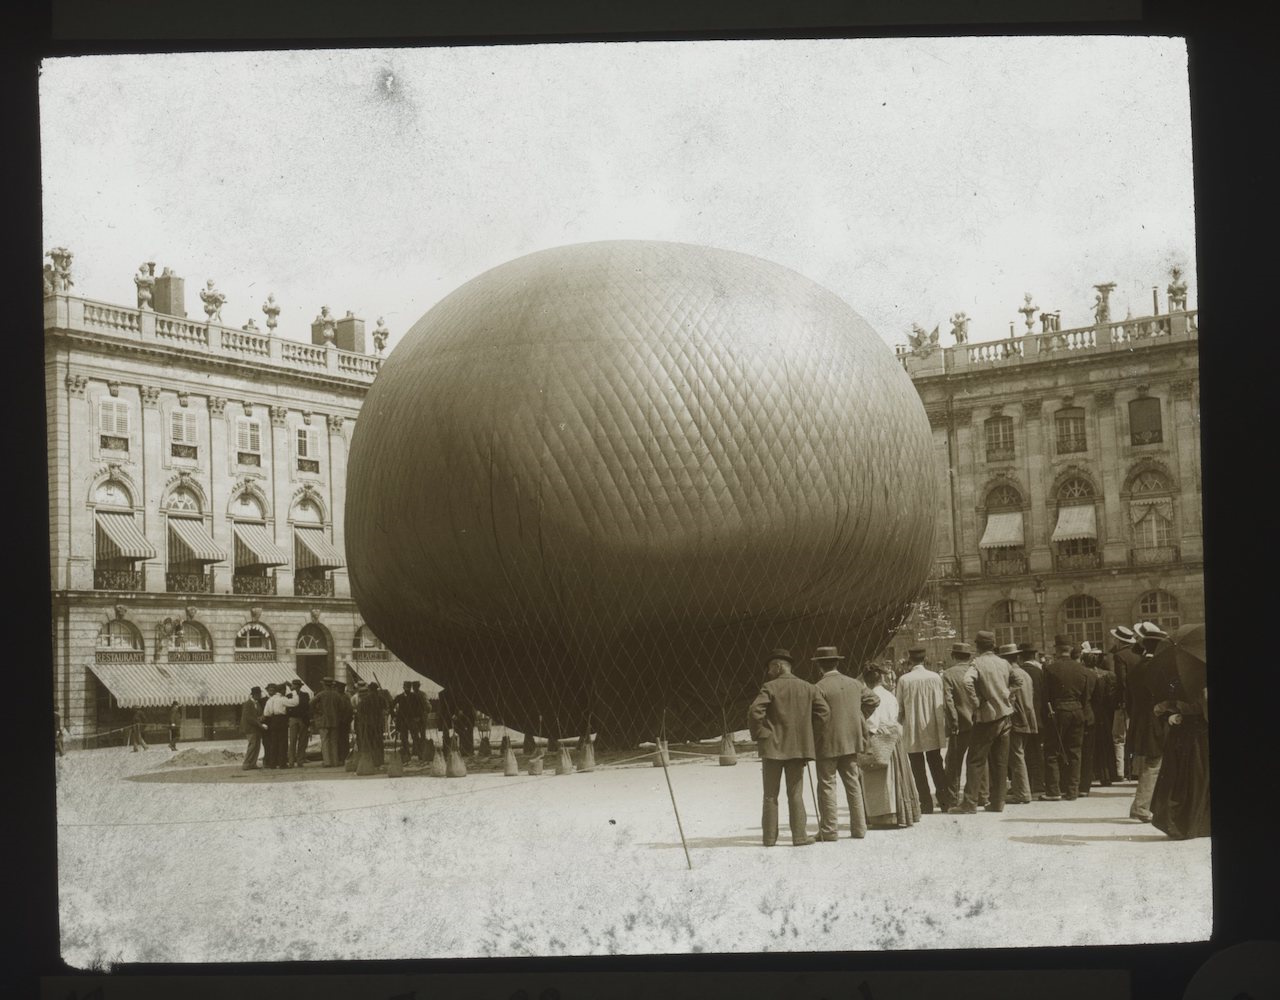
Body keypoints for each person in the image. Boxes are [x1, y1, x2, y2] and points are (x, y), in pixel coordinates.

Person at [747, 648, 830, 847]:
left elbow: (754, 711)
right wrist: (811, 735)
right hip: (798, 748)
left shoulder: (770, 687)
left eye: (769, 668)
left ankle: (769, 839)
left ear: (778, 666)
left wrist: (761, 734)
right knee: (795, 794)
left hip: (772, 749)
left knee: (769, 795)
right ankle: (799, 837)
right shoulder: (808, 687)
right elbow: (824, 713)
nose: (768, 672)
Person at [812, 646, 879, 841]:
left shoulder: (818, 688)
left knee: (827, 785)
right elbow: (874, 700)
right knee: (853, 784)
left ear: (819, 666)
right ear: (837, 662)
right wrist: (859, 718)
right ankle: (859, 829)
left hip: (827, 744)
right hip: (851, 741)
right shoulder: (855, 684)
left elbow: (816, 717)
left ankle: (829, 830)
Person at [1149, 623, 1209, 840]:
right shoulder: (1202, 676)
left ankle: (1183, 822)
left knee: (1185, 781)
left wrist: (1172, 711)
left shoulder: (1176, 675)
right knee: (1198, 780)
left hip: (1184, 733)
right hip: (1199, 735)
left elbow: (1163, 705)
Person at [952, 630, 1017, 814]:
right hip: (1005, 718)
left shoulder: (977, 663)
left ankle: (970, 803)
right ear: (993, 645)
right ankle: (998, 803)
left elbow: (967, 681)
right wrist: (1008, 696)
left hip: (986, 718)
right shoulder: (1004, 663)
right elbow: (1017, 680)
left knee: (975, 761)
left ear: (978, 646)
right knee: (1000, 762)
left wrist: (976, 702)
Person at [861, 666, 921, 829]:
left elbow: (872, 722)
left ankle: (883, 815)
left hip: (879, 737)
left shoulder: (869, 696)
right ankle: (900, 812)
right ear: (880, 679)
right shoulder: (889, 695)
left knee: (879, 777)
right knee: (897, 774)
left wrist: (867, 730)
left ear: (866, 681)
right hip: (893, 737)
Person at [895, 644, 949, 813]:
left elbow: (899, 707)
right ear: (925, 659)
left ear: (910, 660)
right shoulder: (935, 677)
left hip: (913, 727)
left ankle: (925, 804)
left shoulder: (904, 680)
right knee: (936, 763)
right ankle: (944, 801)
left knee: (917, 766)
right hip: (932, 726)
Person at [1128, 621, 1171, 822]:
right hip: (1156, 721)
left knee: (1150, 763)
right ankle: (1142, 807)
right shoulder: (1158, 668)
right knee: (1153, 764)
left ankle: (1139, 805)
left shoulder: (1137, 667)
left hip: (1141, 720)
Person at [1040, 635, 1092, 801]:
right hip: (1077, 710)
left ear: (1056, 649)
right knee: (1075, 751)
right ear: (1070, 649)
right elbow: (1086, 697)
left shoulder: (1049, 669)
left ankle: (1053, 791)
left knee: (1052, 751)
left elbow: (1044, 696)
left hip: (1057, 711)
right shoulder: (1083, 670)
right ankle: (1072, 791)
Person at [941, 642, 982, 812]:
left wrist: (953, 723)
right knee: (978, 761)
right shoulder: (976, 672)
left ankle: (952, 799)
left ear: (953, 656)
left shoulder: (949, 674)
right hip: (979, 722)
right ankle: (981, 795)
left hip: (960, 725)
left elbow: (948, 701)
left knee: (953, 763)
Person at [999, 643, 1038, 804]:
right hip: (1028, 718)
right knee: (1019, 754)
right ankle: (1020, 789)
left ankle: (1022, 793)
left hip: (1017, 719)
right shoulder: (1024, 673)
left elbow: (1011, 699)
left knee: (1016, 756)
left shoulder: (1011, 674)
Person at [1110, 625, 1143, 780]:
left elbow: (1121, 681)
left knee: (1119, 737)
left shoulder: (1119, 656)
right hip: (1137, 700)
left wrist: (1122, 700)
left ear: (1119, 640)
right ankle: (1136, 770)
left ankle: (1120, 771)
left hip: (1124, 702)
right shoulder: (1138, 654)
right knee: (1135, 734)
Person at [1085, 643, 1119, 788]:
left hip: (1090, 712)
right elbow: (1112, 698)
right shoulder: (1108, 675)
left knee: (1090, 744)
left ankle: (1091, 774)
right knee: (1105, 743)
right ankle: (1107, 775)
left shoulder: (1085, 674)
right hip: (1104, 714)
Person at [1017, 642, 1048, 795]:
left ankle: (1027, 784)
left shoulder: (1019, 672)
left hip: (1023, 718)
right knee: (1038, 751)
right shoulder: (1040, 672)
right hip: (1040, 717)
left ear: (1020, 656)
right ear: (1034, 655)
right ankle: (1040, 782)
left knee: (1024, 752)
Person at [1074, 643, 1098, 796]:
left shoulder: (1077, 673)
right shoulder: (1092, 675)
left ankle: (1073, 784)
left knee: (1075, 751)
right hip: (1090, 716)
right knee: (1088, 752)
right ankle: (1084, 787)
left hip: (1077, 715)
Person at [262, 682, 298, 770]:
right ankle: (282, 764)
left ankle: (272, 764)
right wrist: (294, 691)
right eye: (284, 690)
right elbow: (295, 703)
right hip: (282, 720)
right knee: (283, 742)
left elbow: (266, 713)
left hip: (273, 720)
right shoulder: (282, 699)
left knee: (274, 743)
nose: (285, 692)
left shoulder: (270, 700)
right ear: (282, 690)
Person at [311, 678, 341, 767]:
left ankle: (327, 762)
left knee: (325, 741)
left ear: (324, 685)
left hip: (323, 721)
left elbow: (311, 703)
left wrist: (316, 712)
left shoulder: (320, 694)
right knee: (334, 742)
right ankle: (335, 761)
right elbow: (341, 706)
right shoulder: (337, 695)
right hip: (334, 721)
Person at [356, 681, 386, 767]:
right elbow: (385, 710)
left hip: (368, 724)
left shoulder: (365, 699)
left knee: (370, 742)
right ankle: (380, 760)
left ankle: (371, 760)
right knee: (379, 742)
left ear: (369, 689)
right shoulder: (381, 698)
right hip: (379, 724)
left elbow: (359, 711)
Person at [392, 681, 421, 762]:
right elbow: (391, 705)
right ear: (403, 687)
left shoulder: (414, 696)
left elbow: (419, 707)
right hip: (402, 720)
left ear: (410, 687)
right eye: (406, 686)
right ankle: (406, 754)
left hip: (412, 719)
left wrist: (418, 717)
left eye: (408, 686)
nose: (407, 688)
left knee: (415, 737)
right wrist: (394, 716)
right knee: (404, 738)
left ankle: (416, 753)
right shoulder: (399, 697)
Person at [285, 679, 311, 768]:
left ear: (299, 687)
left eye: (296, 686)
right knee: (293, 741)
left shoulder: (304, 695)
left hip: (301, 719)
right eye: (293, 686)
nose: (294, 688)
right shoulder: (290, 695)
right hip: (294, 718)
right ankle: (292, 761)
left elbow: (306, 707)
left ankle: (299, 761)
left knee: (301, 741)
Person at [241, 686, 266, 770]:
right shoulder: (247, 704)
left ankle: (252, 763)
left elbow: (260, 714)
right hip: (250, 729)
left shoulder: (257, 703)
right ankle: (246, 763)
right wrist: (259, 723)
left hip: (257, 728)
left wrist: (261, 717)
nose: (260, 696)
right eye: (259, 694)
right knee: (252, 745)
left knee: (257, 746)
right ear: (254, 695)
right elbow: (248, 717)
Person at [335, 679, 354, 764]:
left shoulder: (340, 697)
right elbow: (350, 710)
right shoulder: (347, 697)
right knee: (344, 740)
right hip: (345, 721)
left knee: (340, 740)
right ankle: (344, 757)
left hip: (340, 721)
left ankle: (341, 758)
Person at [411, 681, 430, 759]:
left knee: (421, 735)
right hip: (414, 718)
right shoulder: (412, 695)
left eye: (415, 686)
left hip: (421, 718)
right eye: (413, 686)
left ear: (417, 686)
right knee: (415, 735)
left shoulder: (422, 695)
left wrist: (422, 715)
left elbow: (428, 707)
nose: (414, 688)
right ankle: (417, 751)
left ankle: (421, 752)